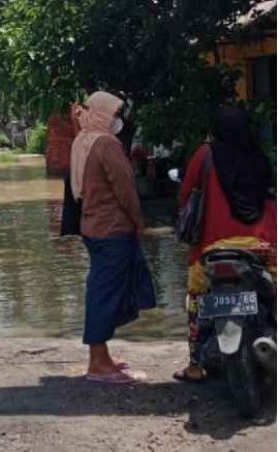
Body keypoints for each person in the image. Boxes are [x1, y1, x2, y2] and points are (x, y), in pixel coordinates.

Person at [173, 106, 276, 382]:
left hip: (211, 248)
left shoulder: (205, 155)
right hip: (262, 245)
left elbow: (185, 196)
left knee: (195, 299)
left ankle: (195, 365)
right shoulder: (259, 157)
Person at [70, 91, 156, 384]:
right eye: (115, 114)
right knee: (104, 295)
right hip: (112, 230)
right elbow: (126, 189)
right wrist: (139, 222)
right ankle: (97, 363)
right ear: (103, 114)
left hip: (93, 226)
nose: (118, 120)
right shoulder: (105, 143)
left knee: (103, 290)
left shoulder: (84, 139)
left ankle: (102, 356)